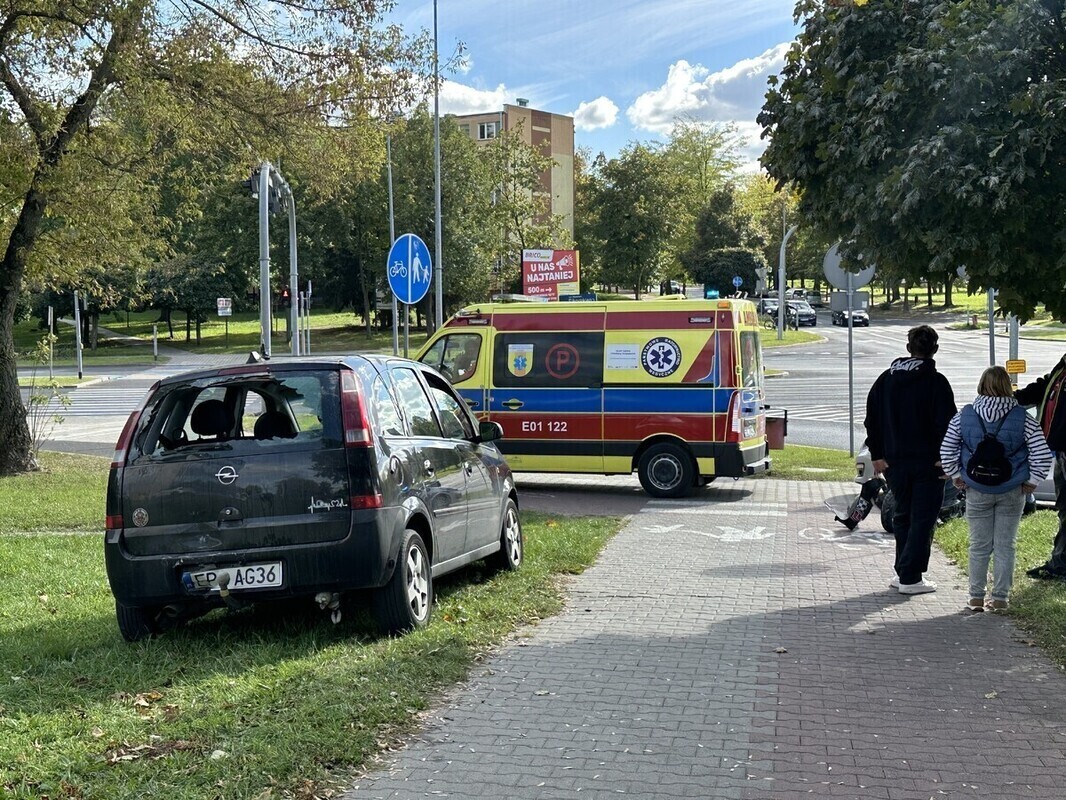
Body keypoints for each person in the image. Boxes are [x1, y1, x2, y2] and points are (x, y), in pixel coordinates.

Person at [940, 366, 1052, 612]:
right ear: (1007, 387)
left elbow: (947, 449)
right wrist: (1032, 480)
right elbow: (1041, 453)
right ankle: (1000, 598)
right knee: (1005, 545)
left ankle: (975, 597)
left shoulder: (965, 415)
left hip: (977, 488)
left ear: (982, 385)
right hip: (1012, 489)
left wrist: (957, 476)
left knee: (978, 545)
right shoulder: (1023, 418)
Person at [864, 324, 956, 594]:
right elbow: (948, 425)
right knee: (923, 518)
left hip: (893, 462)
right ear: (935, 349)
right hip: (929, 463)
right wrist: (947, 458)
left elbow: (872, 420)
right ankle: (911, 577)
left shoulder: (885, 380)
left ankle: (903, 571)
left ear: (908, 348)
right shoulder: (937, 383)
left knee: (903, 514)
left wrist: (877, 454)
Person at [1015, 354, 1066, 580]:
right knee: (1064, 507)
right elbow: (1042, 387)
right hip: (1060, 450)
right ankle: (1060, 563)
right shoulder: (1062, 367)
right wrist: (1009, 397)